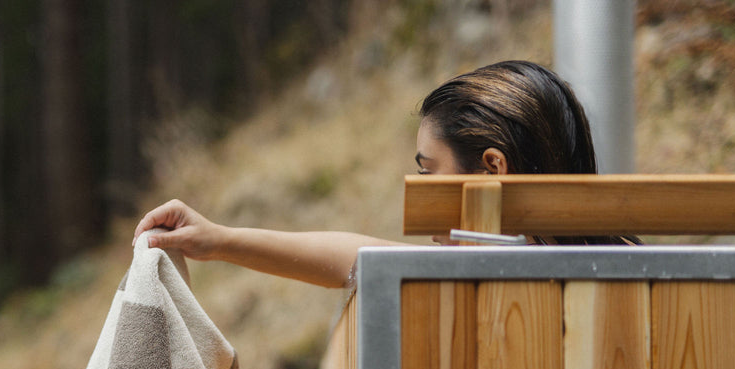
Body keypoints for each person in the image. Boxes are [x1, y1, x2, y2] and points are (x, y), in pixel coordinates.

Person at [133, 60, 638, 289]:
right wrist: (218, 239)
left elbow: (359, 260)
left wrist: (220, 242)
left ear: (492, 169)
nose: (418, 190)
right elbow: (358, 258)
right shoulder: (643, 276)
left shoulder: (514, 282)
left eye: (429, 171)